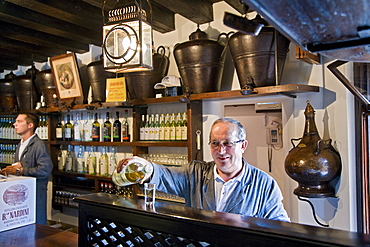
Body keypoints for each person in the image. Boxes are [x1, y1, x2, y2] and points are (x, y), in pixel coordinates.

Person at [117, 117, 290, 222]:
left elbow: (280, 227)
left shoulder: (264, 184)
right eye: (215, 143)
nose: (221, 151)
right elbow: (163, 175)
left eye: (228, 144)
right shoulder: (195, 174)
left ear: (243, 145)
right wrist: (144, 166)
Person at [0, 113, 53, 225]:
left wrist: (21, 171)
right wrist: (11, 169)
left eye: (19, 121)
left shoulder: (39, 145)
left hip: (36, 195)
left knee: (37, 228)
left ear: (30, 125)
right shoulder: (21, 144)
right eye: (15, 122)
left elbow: (45, 169)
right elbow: (20, 166)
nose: (15, 124)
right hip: (23, 197)